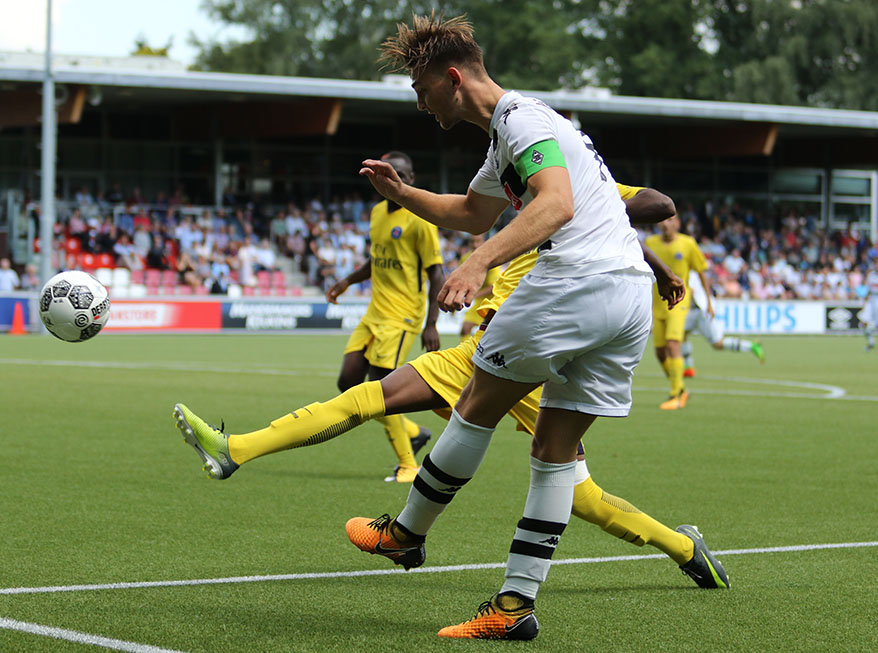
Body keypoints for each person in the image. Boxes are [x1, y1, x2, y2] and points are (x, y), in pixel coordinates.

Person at [171, 183, 727, 636]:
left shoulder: (576, 188)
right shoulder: (522, 204)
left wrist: (617, 227)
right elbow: (472, 212)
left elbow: (656, 205)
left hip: (533, 349)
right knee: (376, 396)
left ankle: (406, 535)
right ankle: (237, 450)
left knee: (577, 493)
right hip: (492, 347)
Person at [349, 14, 724, 639]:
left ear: (452, 77)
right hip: (626, 299)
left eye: (420, 87)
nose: (419, 102)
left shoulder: (521, 120)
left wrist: (479, 263)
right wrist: (403, 192)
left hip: (575, 283)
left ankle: (406, 534)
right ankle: (515, 607)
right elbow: (472, 212)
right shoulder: (511, 134)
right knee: (553, 456)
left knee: (472, 404)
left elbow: (555, 205)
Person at [325, 151, 445, 483]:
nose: (399, 180)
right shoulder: (378, 213)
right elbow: (377, 260)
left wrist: (431, 323)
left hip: (403, 317)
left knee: (381, 390)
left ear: (411, 179)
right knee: (347, 383)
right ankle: (412, 432)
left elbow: (437, 274)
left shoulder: (420, 219)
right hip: (374, 313)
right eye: (394, 174)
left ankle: (409, 464)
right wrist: (347, 280)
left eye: (405, 175)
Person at [644, 216, 708, 410]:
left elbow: (701, 271)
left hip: (679, 301)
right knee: (660, 352)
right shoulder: (650, 243)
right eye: (662, 220)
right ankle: (680, 389)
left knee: (673, 344)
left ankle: (675, 394)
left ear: (677, 224)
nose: (665, 224)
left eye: (670, 220)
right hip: (657, 302)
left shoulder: (688, 244)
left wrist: (709, 301)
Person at [681, 269, 765, 377]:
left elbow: (690, 291)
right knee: (681, 334)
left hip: (701, 310)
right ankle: (688, 367)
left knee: (717, 344)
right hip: (691, 311)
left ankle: (752, 346)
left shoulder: (689, 273)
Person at [457, 233, 502, 337]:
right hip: (479, 300)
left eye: (478, 241)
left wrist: (473, 295)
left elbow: (493, 287)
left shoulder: (490, 259)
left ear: (484, 243)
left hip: (493, 300)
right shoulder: (465, 258)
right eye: (472, 241)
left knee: (490, 333)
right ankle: (470, 353)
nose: (475, 245)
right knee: (465, 329)